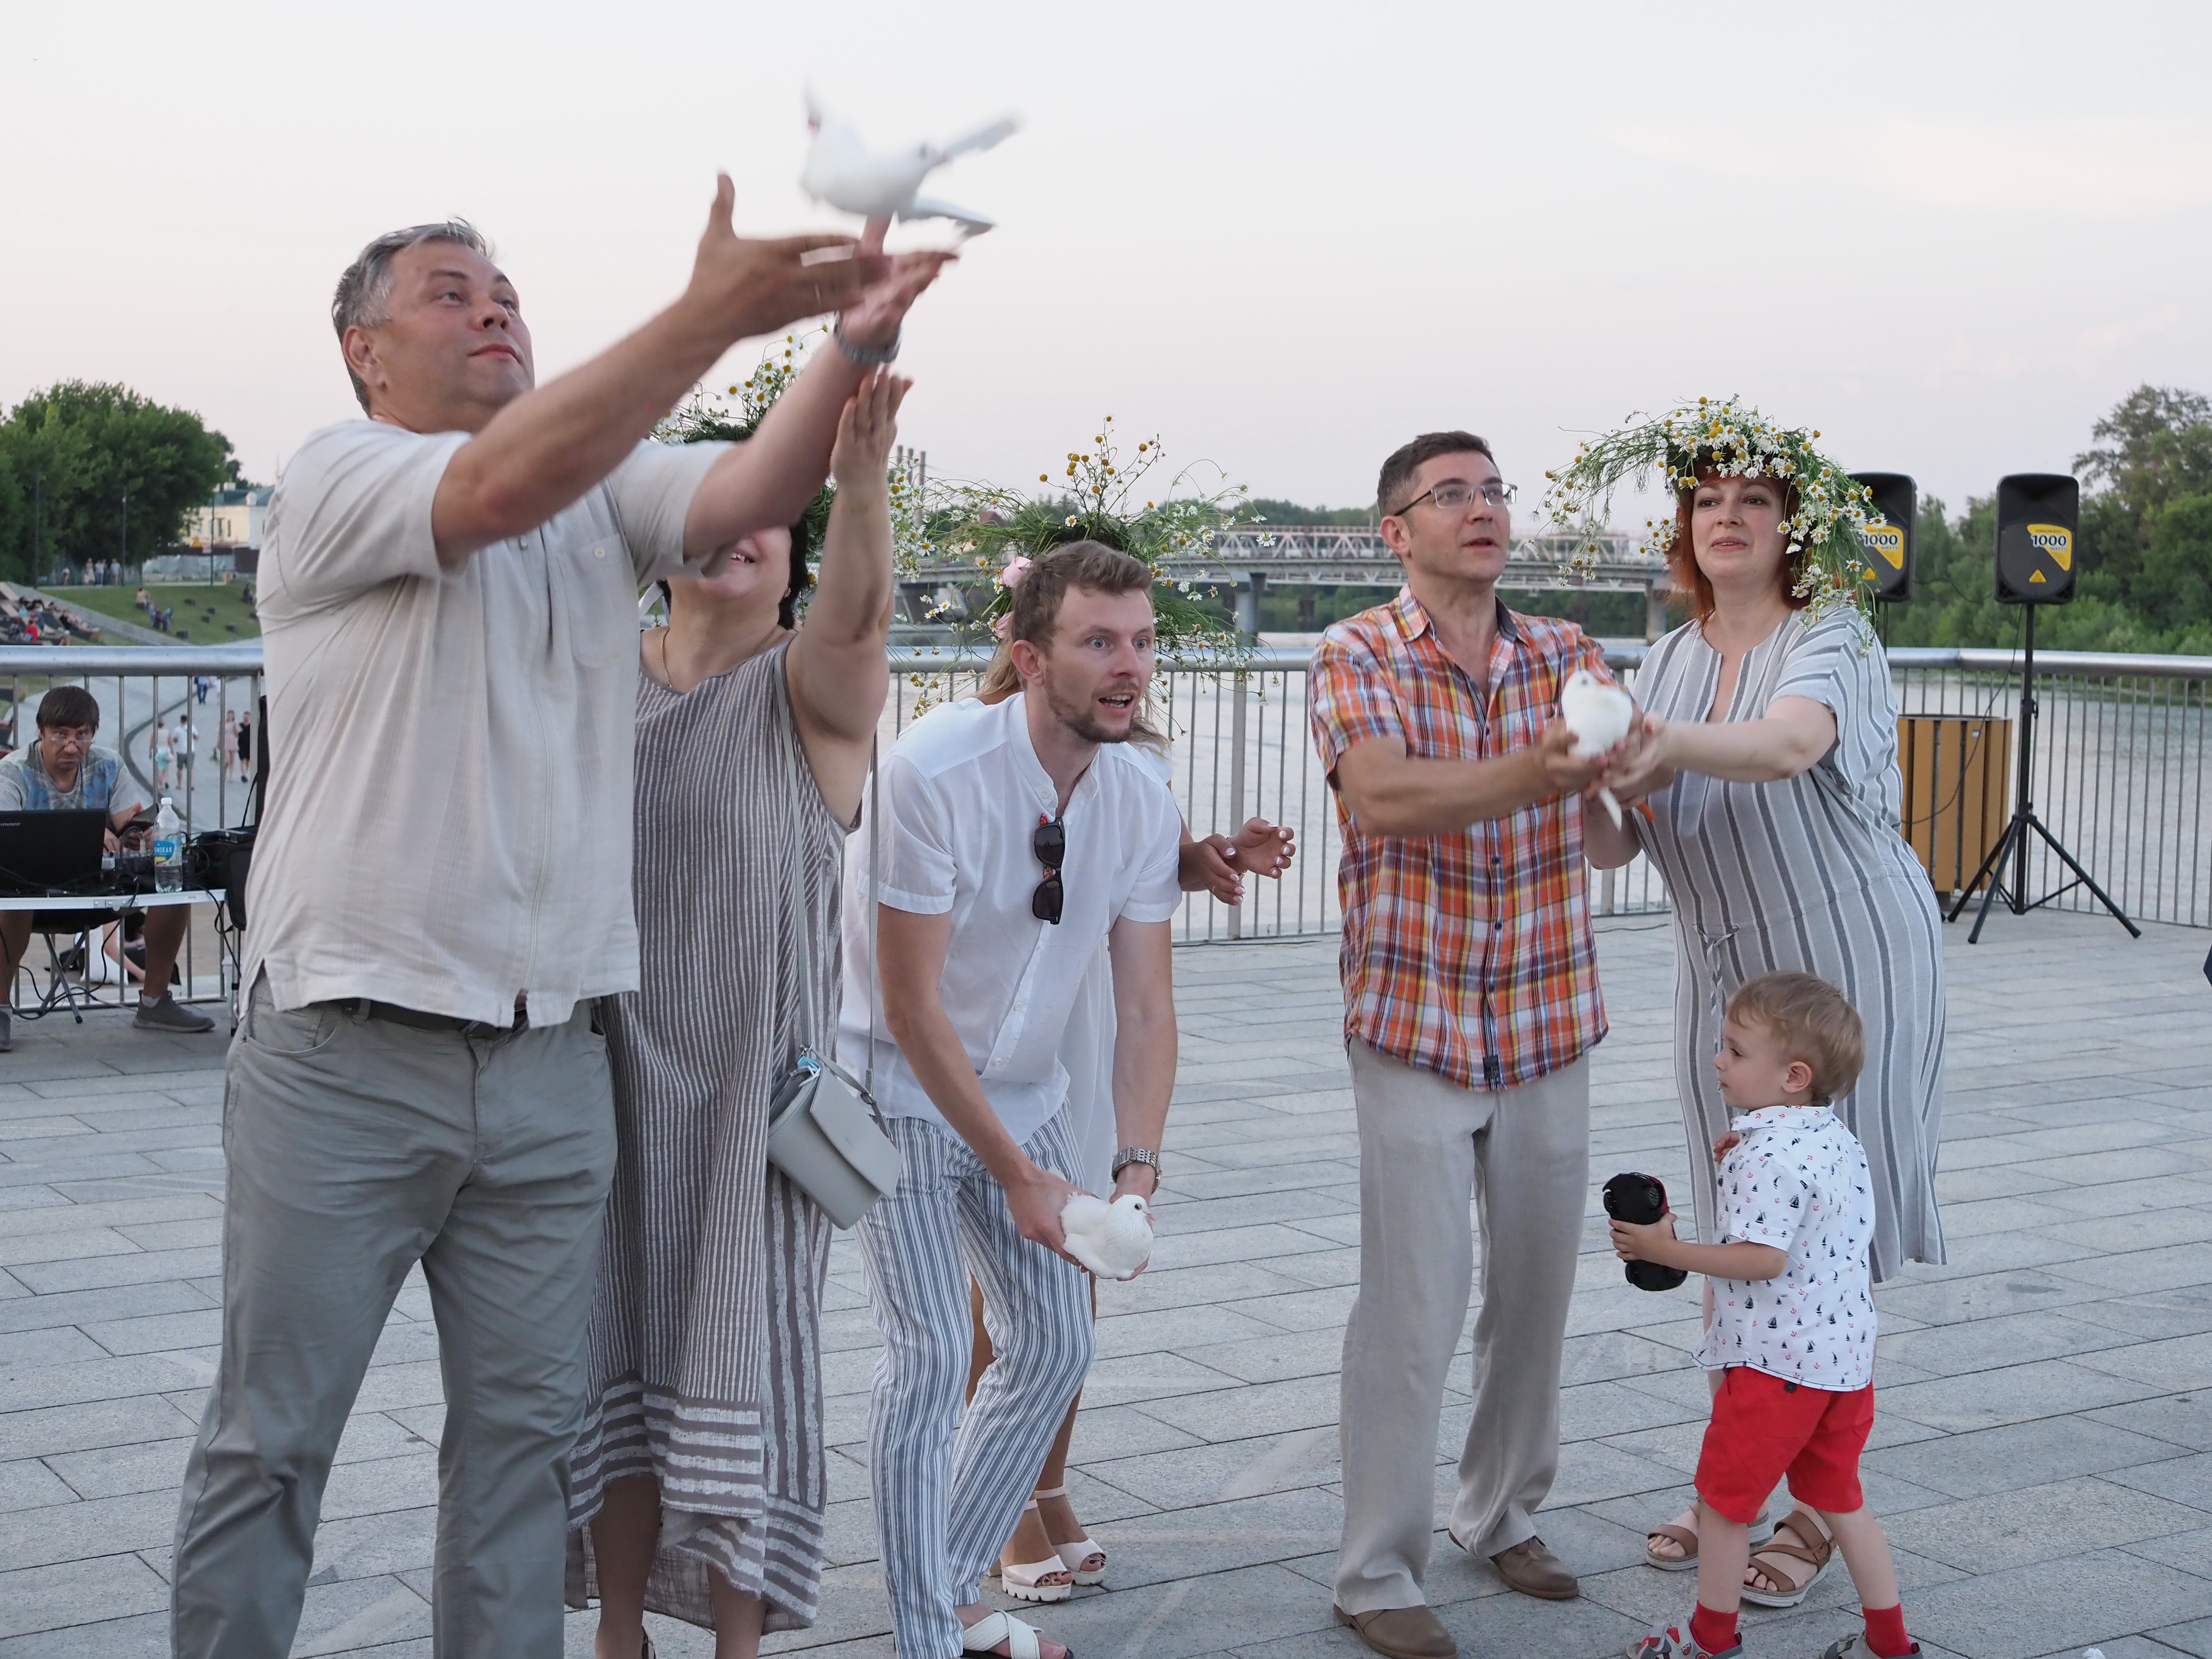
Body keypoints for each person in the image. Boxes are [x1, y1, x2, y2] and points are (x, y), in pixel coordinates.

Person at [167, 187, 947, 1659]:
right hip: (346, 1048)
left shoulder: (606, 499)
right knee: (273, 1441)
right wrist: (708, 315)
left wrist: (846, 348)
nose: (494, 307)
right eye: (449, 292)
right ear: (363, 353)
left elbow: (752, 491)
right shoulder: (338, 476)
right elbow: (493, 492)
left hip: (549, 1071)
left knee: (524, 1456)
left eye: (508, 292)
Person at [1573, 408, 1946, 1595]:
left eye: (1754, 500)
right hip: (1725, 981)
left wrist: (1650, 738)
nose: (1726, 516)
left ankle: (1814, 1511)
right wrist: (1584, 779)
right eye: (1707, 499)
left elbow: (1785, 746)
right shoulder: (1668, 659)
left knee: (1822, 1244)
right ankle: (1729, 1483)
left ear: (1794, 527)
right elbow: (1617, 845)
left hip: (1845, 964)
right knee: (1738, 1234)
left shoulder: (1830, 632)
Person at [568, 369, 910, 1659]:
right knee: (608, 1364)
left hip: (747, 1109)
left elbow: (859, 618)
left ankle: (737, 1647)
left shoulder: (806, 691)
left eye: (767, 510)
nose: (736, 528)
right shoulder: (595, 680)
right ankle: (617, 1633)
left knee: (741, 1383)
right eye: (710, 504)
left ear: (794, 553)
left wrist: (859, 482)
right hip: (597, 1080)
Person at [1310, 431, 1638, 1659]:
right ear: (1396, 531)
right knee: (1413, 1307)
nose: (1482, 508)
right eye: (1450, 494)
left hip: (1548, 1012)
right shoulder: (1356, 651)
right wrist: (1540, 771)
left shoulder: (1566, 651)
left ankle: (1500, 1512)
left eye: (1493, 489)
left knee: (1537, 1295)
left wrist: (1619, 780)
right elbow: (1382, 794)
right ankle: (1375, 1572)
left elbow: (1613, 842)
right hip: (1416, 1015)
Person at [845, 541, 1181, 1659]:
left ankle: (945, 1588)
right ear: (1031, 658)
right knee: (933, 1354)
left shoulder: (1140, 797)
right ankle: (929, 1634)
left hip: (1030, 1090)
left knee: (1054, 1345)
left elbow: (1146, 1011)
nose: (1129, 666)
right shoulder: (934, 769)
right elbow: (909, 1007)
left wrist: (1135, 1170)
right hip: (896, 1086)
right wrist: (1022, 1176)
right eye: (1099, 642)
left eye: (1142, 641)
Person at [1612, 974, 1922, 1659]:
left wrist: (1665, 1251)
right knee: (1842, 1501)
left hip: (1774, 1366)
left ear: (1793, 1076)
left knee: (1726, 1508)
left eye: (1735, 1050)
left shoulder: (1767, 1157)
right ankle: (1890, 1645)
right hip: (1842, 1363)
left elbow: (1762, 1259)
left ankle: (1709, 1641)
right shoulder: (1832, 1137)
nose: (1717, 1059)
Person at [0, 685, 216, 1050]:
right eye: (61, 735)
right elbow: (9, 840)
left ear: (93, 734)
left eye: (82, 735)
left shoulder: (108, 765)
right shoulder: (13, 772)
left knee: (174, 888)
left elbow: (129, 821)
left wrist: (141, 835)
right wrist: (86, 835)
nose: (72, 747)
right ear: (40, 731)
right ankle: (0, 1007)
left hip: (99, 886)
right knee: (11, 899)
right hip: (33, 890)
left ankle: (155, 1001)